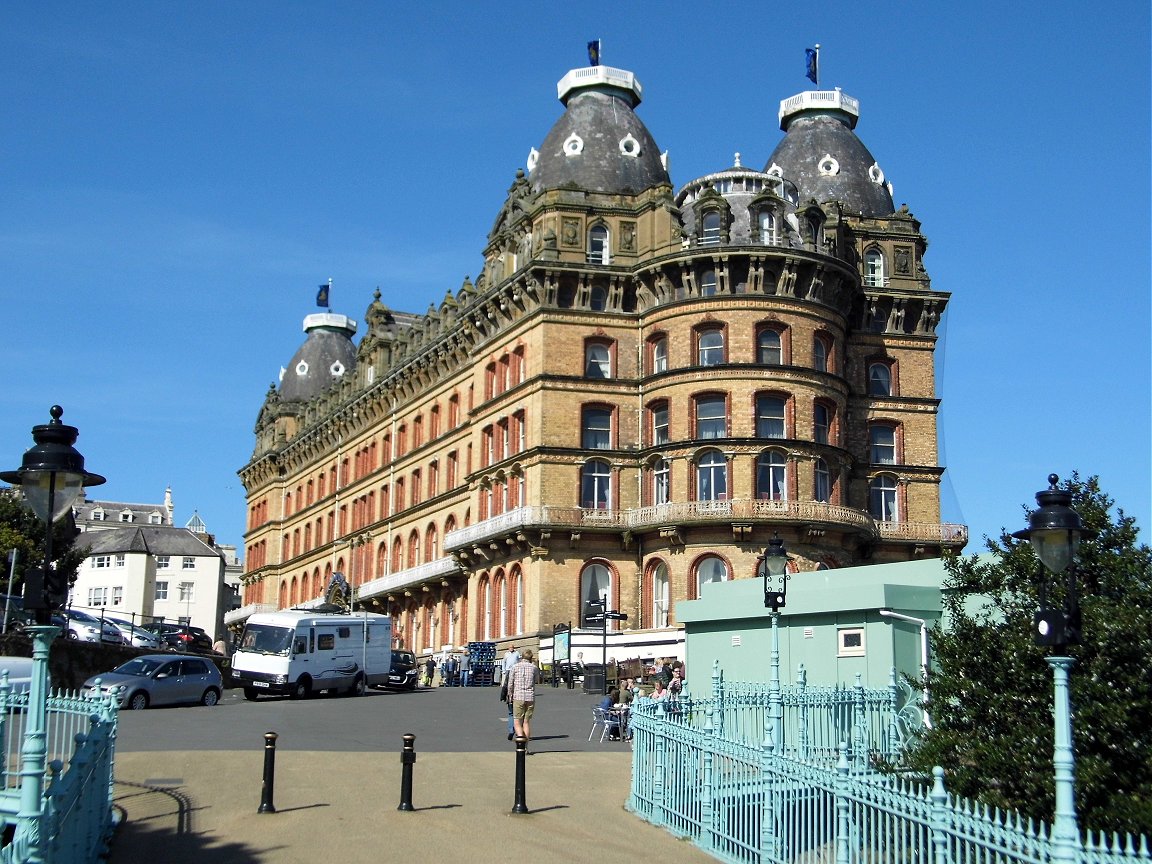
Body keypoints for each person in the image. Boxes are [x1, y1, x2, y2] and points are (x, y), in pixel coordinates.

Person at [506, 648, 540, 742]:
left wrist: (510, 695)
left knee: (517, 721)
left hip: (518, 696)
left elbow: (510, 683)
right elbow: (537, 680)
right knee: (526, 722)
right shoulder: (534, 668)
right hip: (530, 696)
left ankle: (520, 740)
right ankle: (526, 746)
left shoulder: (515, 667)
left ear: (521, 657)